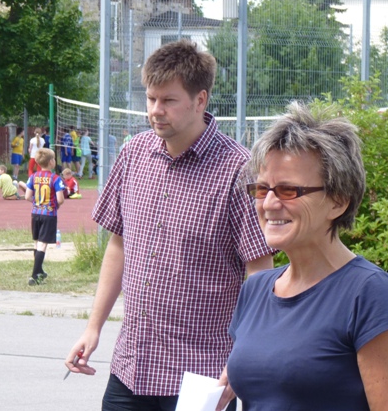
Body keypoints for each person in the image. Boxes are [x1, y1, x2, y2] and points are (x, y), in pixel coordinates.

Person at [65, 40, 274, 409]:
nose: (155, 111)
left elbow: (259, 271)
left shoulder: (239, 170)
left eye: (168, 100)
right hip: (132, 367)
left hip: (202, 376)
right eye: (150, 99)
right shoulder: (133, 153)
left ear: (200, 100)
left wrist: (242, 358)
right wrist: (93, 328)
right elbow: (119, 245)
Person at [219, 103, 388, 410]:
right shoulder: (255, 289)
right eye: (262, 189)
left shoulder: (369, 293)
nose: (269, 203)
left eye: (288, 190)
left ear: (338, 201)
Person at [24, 148, 65, 285]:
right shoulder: (55, 178)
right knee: (43, 244)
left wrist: (37, 203)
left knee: (37, 242)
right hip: (49, 214)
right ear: (51, 162)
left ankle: (40, 270)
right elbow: (60, 199)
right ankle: (35, 275)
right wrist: (55, 205)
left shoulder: (33, 177)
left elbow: (27, 196)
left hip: (35, 213)